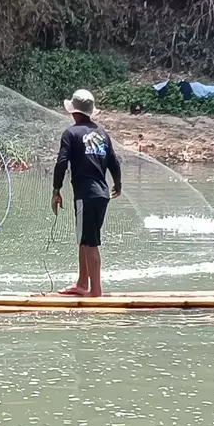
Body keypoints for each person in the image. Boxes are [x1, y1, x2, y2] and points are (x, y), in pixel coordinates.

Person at [51, 89, 122, 297]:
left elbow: (62, 163)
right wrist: (118, 183)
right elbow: (114, 161)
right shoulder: (102, 133)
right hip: (101, 194)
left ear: (73, 112)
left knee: (90, 242)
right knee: (84, 238)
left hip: (86, 195)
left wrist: (56, 190)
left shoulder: (71, 134)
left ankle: (96, 292)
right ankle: (82, 284)